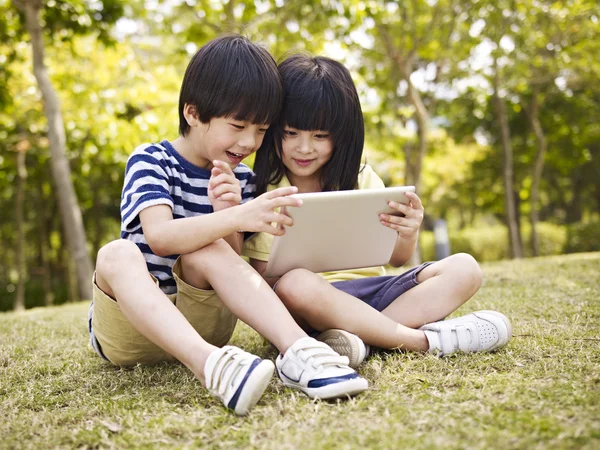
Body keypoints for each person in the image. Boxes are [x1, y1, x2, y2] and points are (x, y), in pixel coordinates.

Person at [88, 37, 368, 417]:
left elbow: (234, 267)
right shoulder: (151, 161)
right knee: (116, 253)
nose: (249, 141)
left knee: (213, 248)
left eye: (261, 130)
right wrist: (234, 215)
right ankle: (210, 367)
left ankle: (302, 353)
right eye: (237, 126)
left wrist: (231, 210)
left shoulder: (244, 180)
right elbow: (160, 238)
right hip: (131, 332)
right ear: (192, 112)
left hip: (205, 322)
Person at [245, 54, 512, 368]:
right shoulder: (266, 192)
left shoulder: (364, 180)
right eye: (291, 134)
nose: (304, 148)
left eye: (319, 136)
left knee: (465, 268)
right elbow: (264, 283)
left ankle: (357, 340)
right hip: (308, 307)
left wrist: (408, 232)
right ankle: (421, 341)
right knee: (295, 284)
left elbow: (396, 259)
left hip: (374, 293)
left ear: (342, 135)